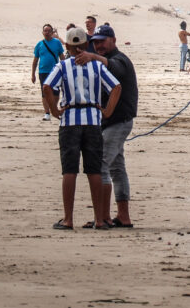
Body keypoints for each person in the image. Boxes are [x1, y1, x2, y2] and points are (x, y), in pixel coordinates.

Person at [42, 27, 121, 230]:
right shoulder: (96, 66)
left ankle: (68, 219)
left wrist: (54, 111)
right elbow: (116, 87)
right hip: (93, 121)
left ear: (67, 46)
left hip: (69, 121)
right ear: (86, 45)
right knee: (94, 170)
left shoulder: (62, 66)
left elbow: (47, 87)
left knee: (69, 170)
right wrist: (107, 111)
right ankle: (100, 219)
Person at [75, 24, 138, 229]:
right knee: (117, 167)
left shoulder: (120, 60)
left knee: (101, 165)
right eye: (96, 43)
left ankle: (103, 217)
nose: (99, 45)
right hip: (109, 122)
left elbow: (114, 68)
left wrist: (94, 57)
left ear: (113, 40)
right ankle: (123, 216)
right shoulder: (103, 61)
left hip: (119, 122)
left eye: (102, 41)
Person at [32, 23, 66, 121]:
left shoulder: (57, 43)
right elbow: (35, 61)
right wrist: (33, 74)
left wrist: (65, 69)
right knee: (44, 93)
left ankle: (53, 109)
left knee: (56, 92)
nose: (46, 33)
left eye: (48, 31)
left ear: (52, 32)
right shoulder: (39, 44)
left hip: (55, 71)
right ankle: (47, 113)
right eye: (45, 31)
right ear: (42, 32)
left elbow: (62, 57)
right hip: (43, 71)